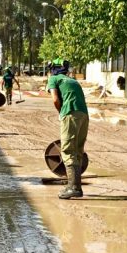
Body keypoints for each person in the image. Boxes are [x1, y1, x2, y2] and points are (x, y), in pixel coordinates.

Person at [46, 59, 89, 199]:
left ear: (52, 69)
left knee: (68, 150)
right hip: (84, 115)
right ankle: (75, 186)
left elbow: (55, 99)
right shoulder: (73, 81)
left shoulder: (53, 79)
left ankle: (74, 188)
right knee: (77, 150)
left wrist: (61, 113)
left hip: (70, 114)